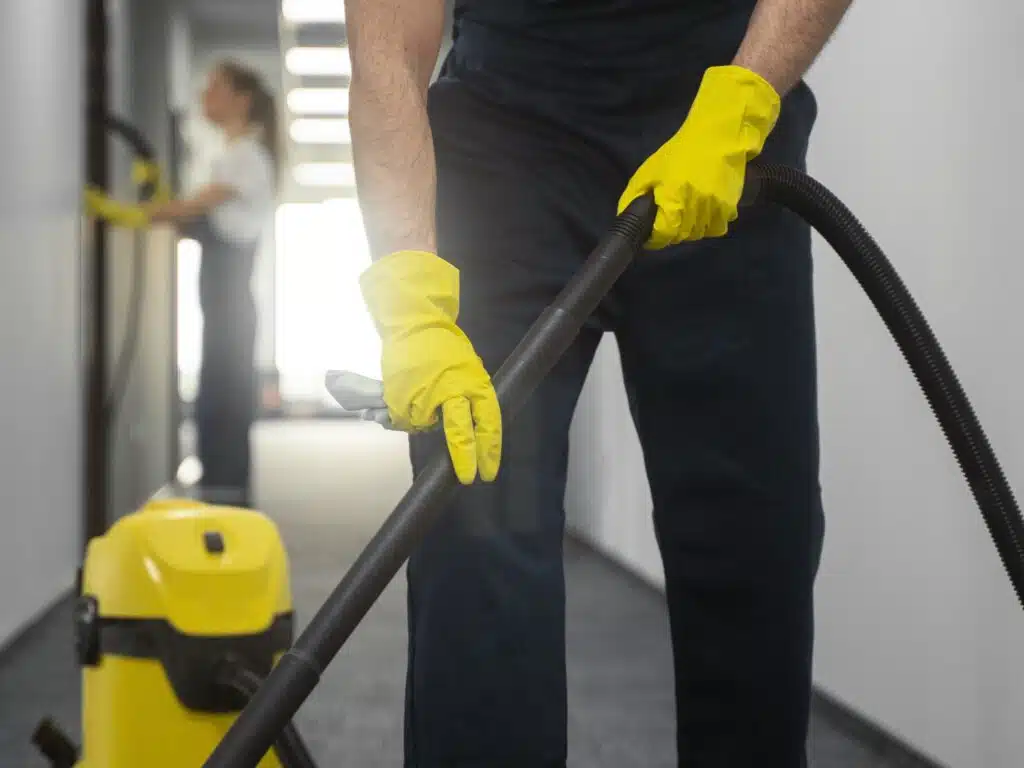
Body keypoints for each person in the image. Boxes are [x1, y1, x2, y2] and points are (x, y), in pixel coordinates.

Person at [347, 0, 855, 765]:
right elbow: (386, 54)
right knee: (481, 513)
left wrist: (745, 99)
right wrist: (410, 299)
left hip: (716, 120)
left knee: (753, 537)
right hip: (504, 148)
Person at [86, 60, 278, 508]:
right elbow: (191, 219)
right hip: (222, 302)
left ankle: (228, 506)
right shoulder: (232, 154)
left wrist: (122, 212)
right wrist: (155, 197)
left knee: (224, 405)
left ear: (240, 99)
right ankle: (221, 499)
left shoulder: (245, 156)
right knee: (215, 401)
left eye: (213, 88)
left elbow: (189, 210)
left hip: (230, 303)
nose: (203, 96)